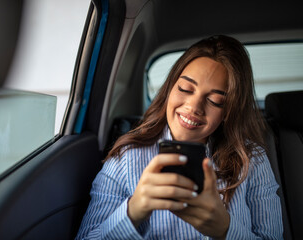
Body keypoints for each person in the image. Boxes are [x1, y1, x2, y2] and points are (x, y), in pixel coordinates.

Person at [75, 35, 283, 239]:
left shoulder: (252, 160)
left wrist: (225, 230)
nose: (193, 107)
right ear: (170, 89)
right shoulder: (124, 160)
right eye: (185, 89)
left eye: (215, 100)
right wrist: (133, 211)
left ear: (229, 111)